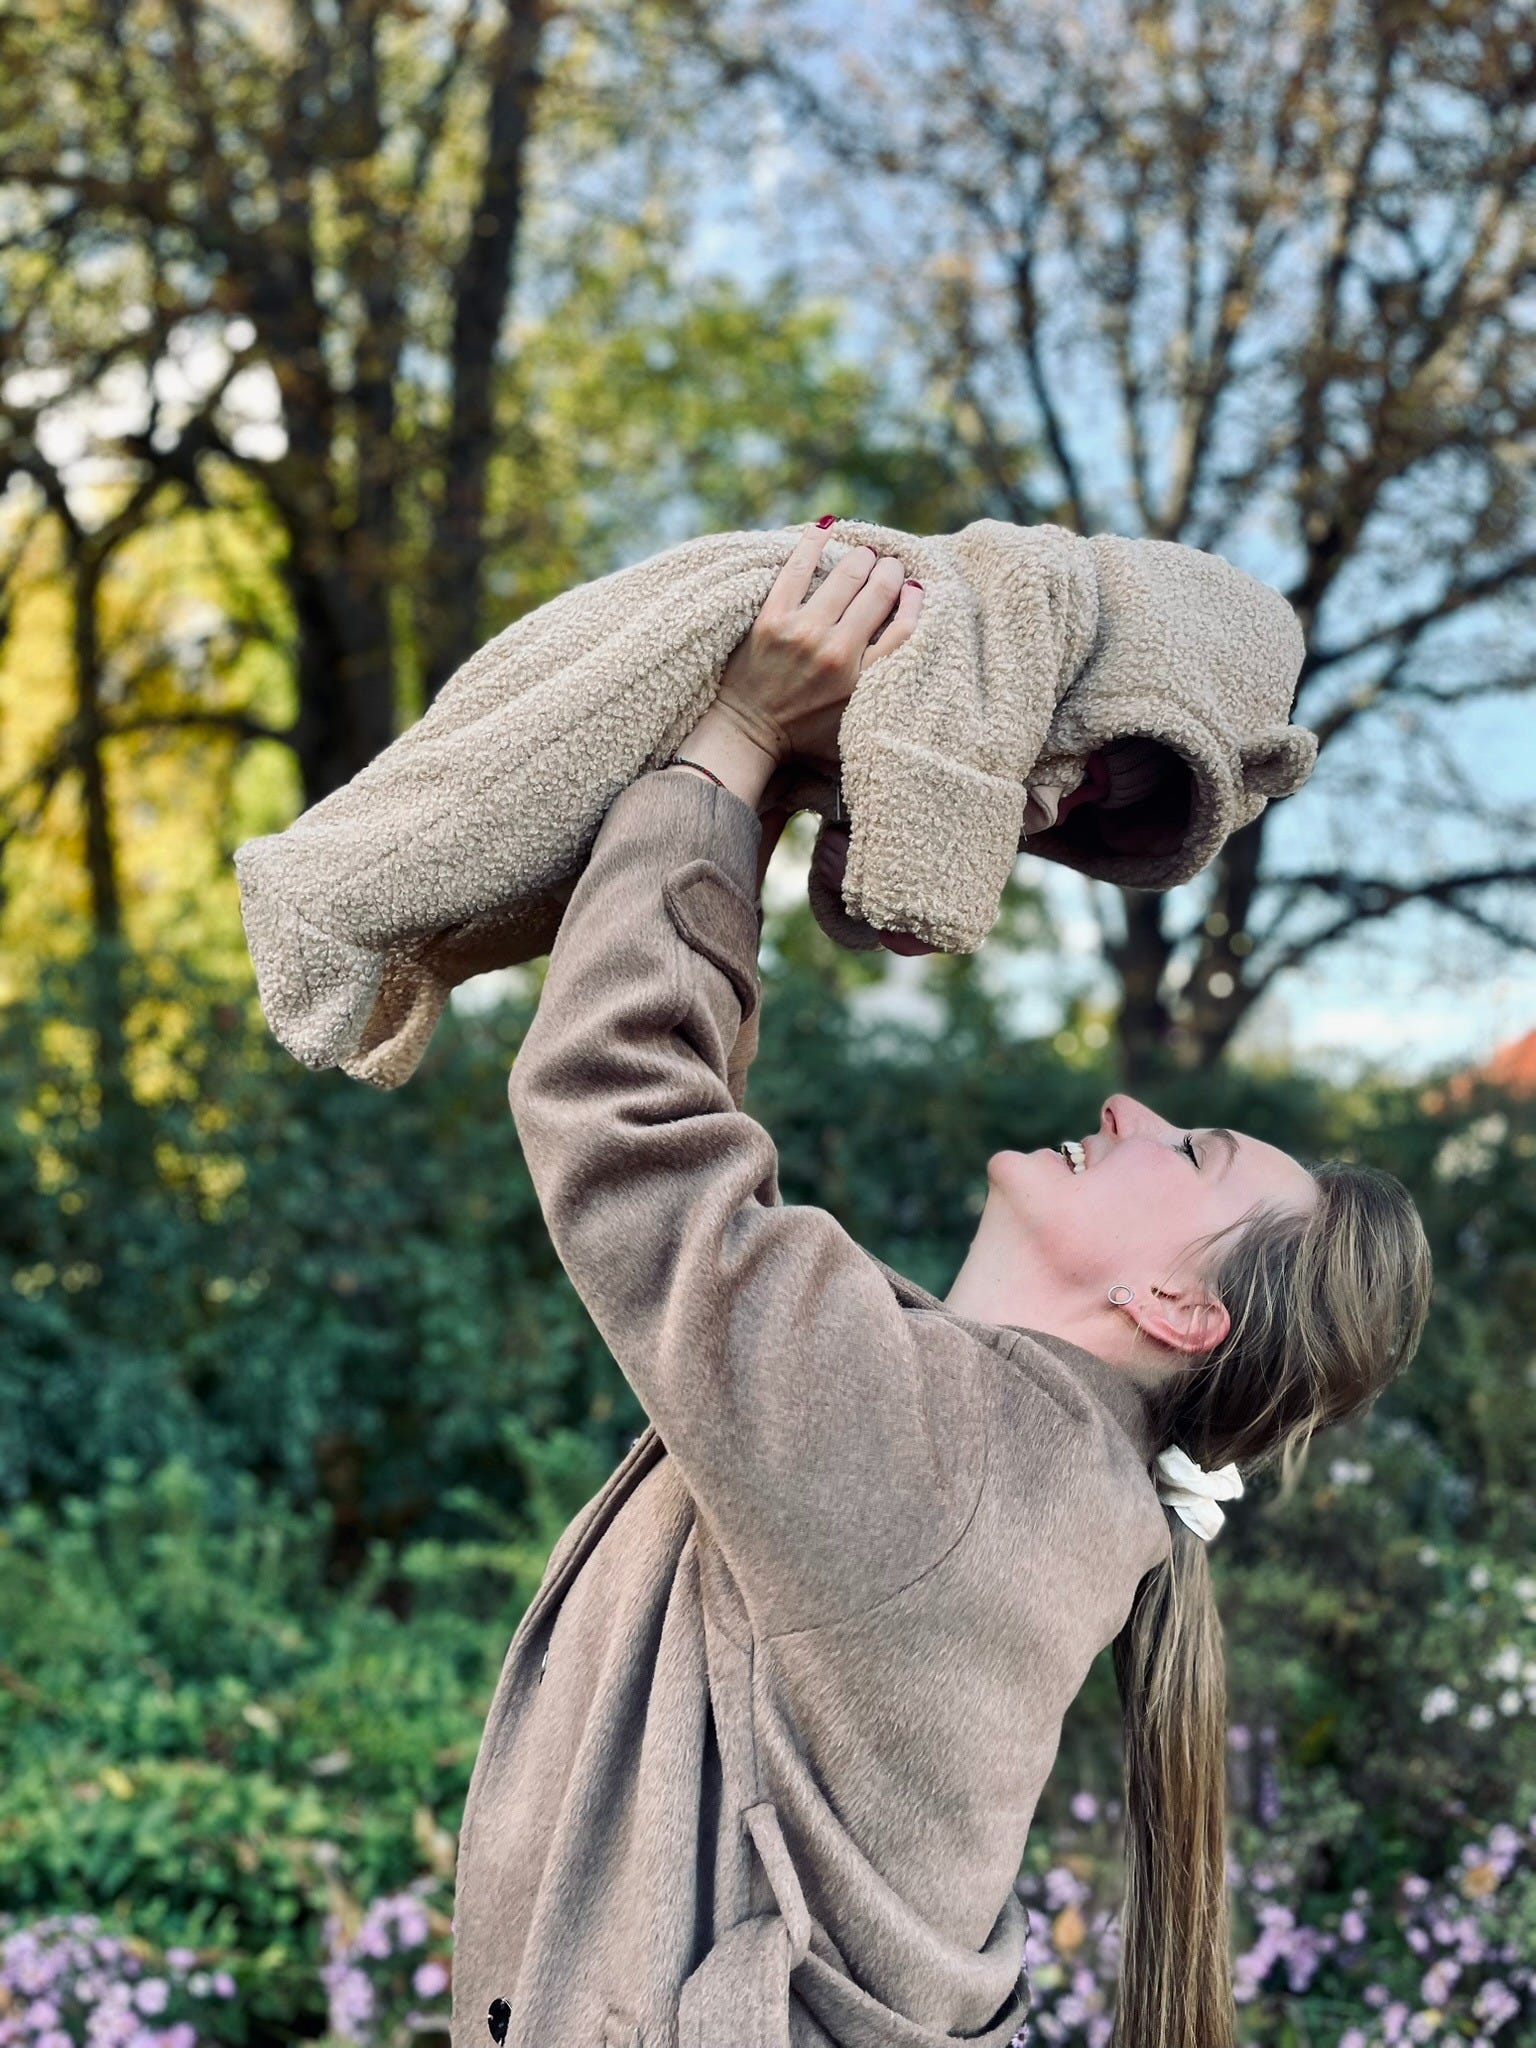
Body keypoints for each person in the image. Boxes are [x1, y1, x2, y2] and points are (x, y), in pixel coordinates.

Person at [449, 519, 1433, 2048]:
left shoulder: (951, 1462)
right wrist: (765, 787)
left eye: (1190, 1155)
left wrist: (740, 733)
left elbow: (624, 1113)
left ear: (1180, 1313)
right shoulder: (1007, 1465)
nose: (1130, 1110)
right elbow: (702, 1161)